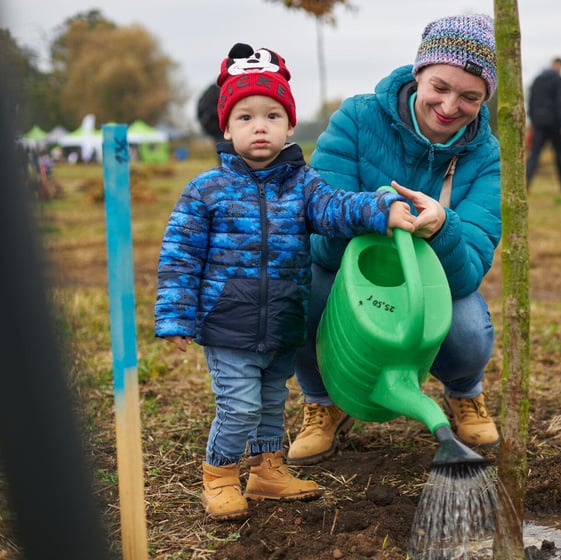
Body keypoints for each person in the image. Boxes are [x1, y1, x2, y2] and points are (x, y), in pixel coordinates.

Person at [154, 43, 416, 521]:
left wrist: (381, 211)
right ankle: (219, 476)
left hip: (281, 321)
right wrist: (175, 315)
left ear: (289, 126)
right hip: (227, 323)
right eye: (246, 117)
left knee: (272, 402)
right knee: (238, 407)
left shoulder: (303, 184)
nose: (260, 126)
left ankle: (267, 471)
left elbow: (337, 208)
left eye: (273, 115)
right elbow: (179, 255)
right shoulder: (206, 191)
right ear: (227, 127)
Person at [288, 14, 502, 466]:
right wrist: (372, 215)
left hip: (432, 281)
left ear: (484, 100)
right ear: (419, 72)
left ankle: (464, 394)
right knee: (302, 295)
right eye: (439, 87)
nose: (449, 106)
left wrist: (443, 226)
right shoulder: (357, 119)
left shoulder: (483, 155)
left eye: (470, 97)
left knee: (468, 329)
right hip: (347, 270)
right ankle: (322, 402)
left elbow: (467, 274)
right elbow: (315, 231)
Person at [526, 57, 561, 192]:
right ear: (558, 66)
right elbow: (560, 103)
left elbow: (531, 101)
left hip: (539, 123)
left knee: (534, 154)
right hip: (555, 124)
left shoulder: (537, 79)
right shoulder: (558, 80)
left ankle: (526, 181)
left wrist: (533, 120)